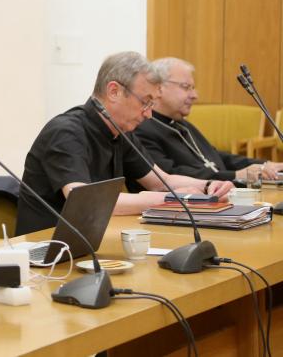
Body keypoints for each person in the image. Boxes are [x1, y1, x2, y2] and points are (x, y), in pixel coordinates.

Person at [15, 51, 233, 234]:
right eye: (145, 102)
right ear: (114, 91)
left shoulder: (121, 131)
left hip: (93, 241)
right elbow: (86, 202)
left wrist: (207, 186)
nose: (148, 114)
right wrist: (170, 199)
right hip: (45, 249)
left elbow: (160, 181)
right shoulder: (65, 132)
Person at [133, 57, 283, 182]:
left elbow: (215, 157)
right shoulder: (141, 129)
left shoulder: (182, 125)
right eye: (186, 87)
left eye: (193, 88)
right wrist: (236, 176)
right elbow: (169, 175)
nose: (195, 95)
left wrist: (264, 165)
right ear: (159, 88)